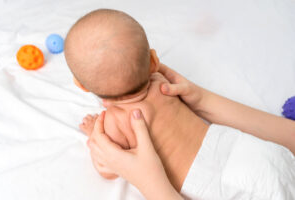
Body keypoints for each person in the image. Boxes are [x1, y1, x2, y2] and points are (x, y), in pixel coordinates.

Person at [64, 9, 295, 199]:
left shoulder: (114, 122)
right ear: (154, 61)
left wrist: (95, 133)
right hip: (251, 152)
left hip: (215, 186)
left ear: (81, 86)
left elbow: (108, 168)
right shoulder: (162, 84)